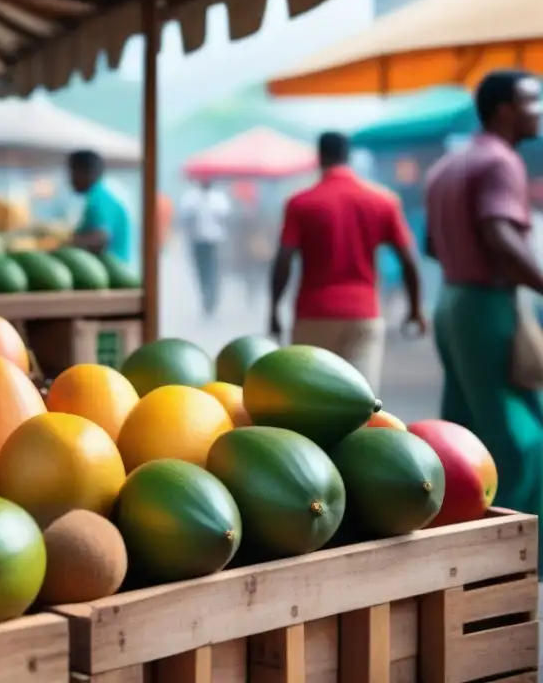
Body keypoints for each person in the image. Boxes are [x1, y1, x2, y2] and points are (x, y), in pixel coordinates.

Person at [424, 70, 543, 547]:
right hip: (486, 306)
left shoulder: (448, 165)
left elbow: (432, 245)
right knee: (522, 442)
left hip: (452, 303)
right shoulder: (500, 162)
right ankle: (514, 554)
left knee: (462, 434)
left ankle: (457, 541)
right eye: (531, 102)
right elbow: (499, 235)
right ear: (502, 110)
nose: (539, 111)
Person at [269, 132, 425, 392]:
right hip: (363, 315)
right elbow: (409, 260)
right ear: (348, 157)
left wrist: (274, 310)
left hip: (313, 315)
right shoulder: (383, 201)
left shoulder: (300, 203)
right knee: (360, 401)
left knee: (308, 402)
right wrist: (415, 309)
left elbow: (283, 260)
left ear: (319, 157)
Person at [179, 179, 232, 317]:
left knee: (214, 271)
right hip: (198, 241)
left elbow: (226, 219)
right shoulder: (191, 198)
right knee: (201, 272)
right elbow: (186, 220)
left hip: (215, 241)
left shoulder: (219, 199)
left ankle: (212, 299)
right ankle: (205, 299)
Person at [68, 150, 131, 263]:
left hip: (113, 273)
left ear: (84, 172)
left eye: (72, 172)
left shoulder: (99, 199)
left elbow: (100, 238)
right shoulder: (101, 194)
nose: (70, 179)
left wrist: (67, 243)